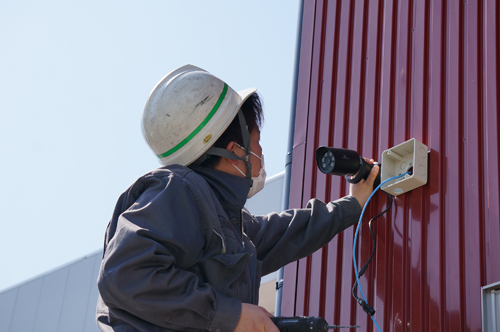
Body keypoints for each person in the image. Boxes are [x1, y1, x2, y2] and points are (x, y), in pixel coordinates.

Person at [96, 65, 378, 332]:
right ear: (234, 151)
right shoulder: (179, 190)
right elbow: (125, 274)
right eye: (257, 141)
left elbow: (284, 233)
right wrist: (233, 316)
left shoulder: (223, 220)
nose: (260, 152)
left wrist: (353, 205)